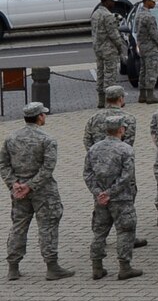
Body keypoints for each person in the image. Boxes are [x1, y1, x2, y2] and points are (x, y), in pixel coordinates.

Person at [5, 103, 72, 280]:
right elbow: (48, 167)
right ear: (40, 117)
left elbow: (3, 164)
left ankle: (13, 267)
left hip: (19, 191)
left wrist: (15, 184)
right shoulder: (47, 139)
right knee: (48, 226)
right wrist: (31, 185)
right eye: (43, 114)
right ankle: (52, 266)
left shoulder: (11, 138)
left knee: (18, 226)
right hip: (44, 191)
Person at [85, 118, 142, 280]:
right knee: (125, 231)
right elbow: (127, 176)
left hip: (101, 200)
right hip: (122, 199)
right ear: (121, 130)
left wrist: (98, 193)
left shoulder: (94, 149)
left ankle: (97, 267)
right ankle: (125, 267)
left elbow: (87, 174)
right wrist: (111, 192)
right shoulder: (126, 149)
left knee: (99, 232)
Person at [90, 0, 123, 109]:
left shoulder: (95, 14)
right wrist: (120, 47)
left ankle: (101, 100)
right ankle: (110, 100)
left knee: (100, 74)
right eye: (112, 2)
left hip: (98, 48)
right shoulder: (107, 15)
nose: (113, 4)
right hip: (108, 49)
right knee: (110, 75)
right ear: (107, 2)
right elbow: (113, 34)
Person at [132, 0, 158, 104]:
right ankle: (150, 96)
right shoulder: (149, 16)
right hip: (150, 47)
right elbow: (154, 33)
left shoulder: (139, 15)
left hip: (142, 46)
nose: (154, 3)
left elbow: (136, 31)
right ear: (147, 1)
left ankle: (142, 95)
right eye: (153, 1)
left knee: (143, 70)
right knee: (151, 71)